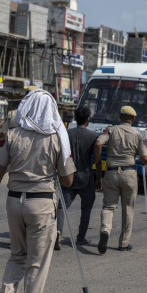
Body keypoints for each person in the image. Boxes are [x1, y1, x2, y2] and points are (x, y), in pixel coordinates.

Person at [0, 89, 76, 293]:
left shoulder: (12, 134)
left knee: (17, 255)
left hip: (14, 202)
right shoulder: (57, 138)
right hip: (42, 204)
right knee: (37, 265)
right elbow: (68, 181)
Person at [94, 106, 147, 254]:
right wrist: (143, 160)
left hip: (111, 173)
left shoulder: (111, 130)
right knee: (128, 208)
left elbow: (98, 143)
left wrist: (98, 162)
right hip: (129, 174)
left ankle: (105, 230)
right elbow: (144, 158)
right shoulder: (137, 134)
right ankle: (123, 243)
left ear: (120, 117)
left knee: (108, 207)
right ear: (133, 119)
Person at [54, 107, 99, 250]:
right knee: (86, 209)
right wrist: (98, 178)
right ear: (87, 120)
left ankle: (58, 233)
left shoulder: (67, 134)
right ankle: (81, 238)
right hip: (87, 178)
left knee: (62, 207)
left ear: (75, 118)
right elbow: (96, 161)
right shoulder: (93, 136)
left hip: (69, 176)